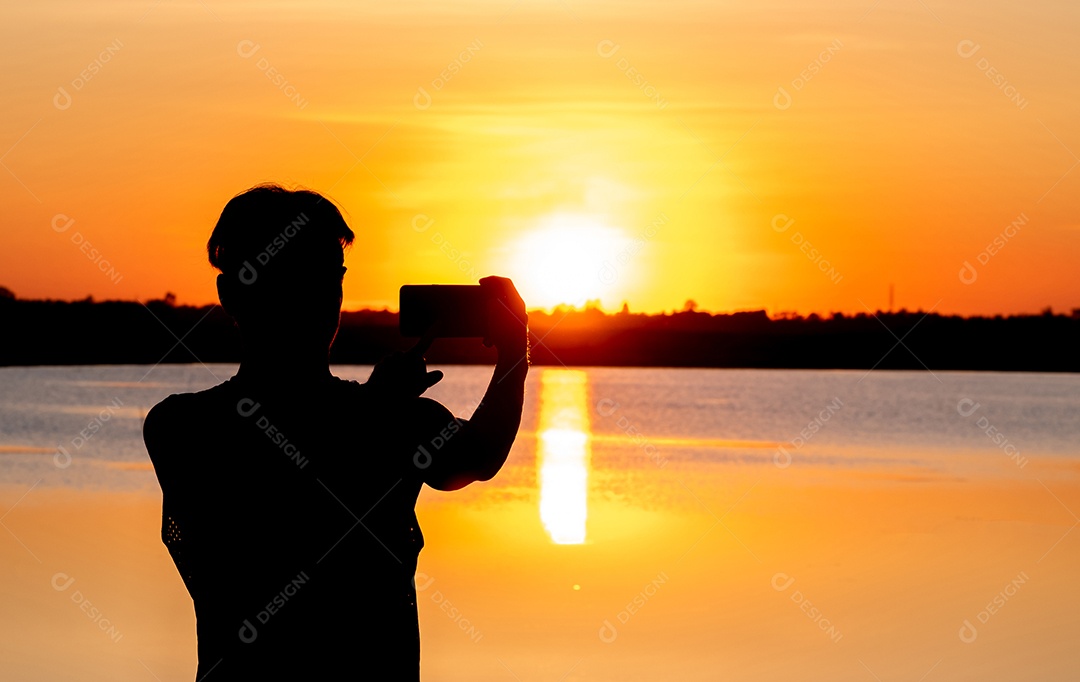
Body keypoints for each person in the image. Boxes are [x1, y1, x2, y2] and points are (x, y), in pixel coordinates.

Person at [143, 184, 529, 680]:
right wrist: (376, 410)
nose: (322, 296)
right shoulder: (184, 428)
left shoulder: (187, 425)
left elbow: (477, 458)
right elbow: (283, 533)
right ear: (233, 294)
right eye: (296, 276)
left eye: (332, 276)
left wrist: (514, 356)